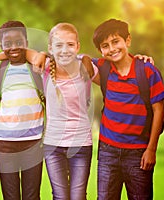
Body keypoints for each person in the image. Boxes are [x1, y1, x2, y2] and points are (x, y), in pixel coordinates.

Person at [92, 18, 164, 199]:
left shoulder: (148, 71)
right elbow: (76, 60)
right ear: (101, 51)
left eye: (116, 41)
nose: (112, 48)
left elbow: (159, 111)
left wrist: (151, 150)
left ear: (128, 40)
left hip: (138, 154)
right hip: (107, 152)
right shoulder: (103, 69)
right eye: (105, 45)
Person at [0, 20, 45, 200]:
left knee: (32, 195)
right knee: (10, 195)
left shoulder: (36, 68)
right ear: (1, 46)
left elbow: (43, 57)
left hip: (33, 142)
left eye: (19, 42)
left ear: (27, 43)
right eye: (8, 44)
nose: (14, 47)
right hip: (5, 143)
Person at [38, 22, 99, 200]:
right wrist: (42, 54)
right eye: (58, 45)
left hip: (81, 144)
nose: (65, 50)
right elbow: (17, 51)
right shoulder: (45, 68)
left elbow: (115, 76)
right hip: (53, 145)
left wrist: (139, 58)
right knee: (60, 196)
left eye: (70, 44)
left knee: (78, 196)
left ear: (78, 46)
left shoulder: (86, 68)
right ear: (50, 47)